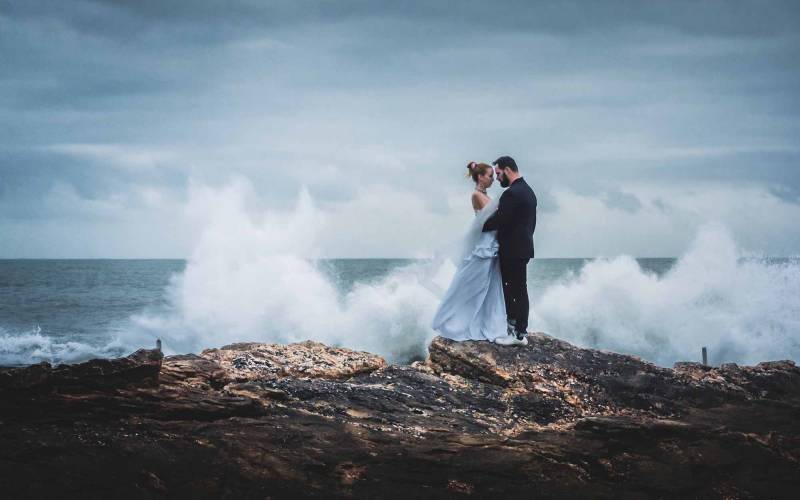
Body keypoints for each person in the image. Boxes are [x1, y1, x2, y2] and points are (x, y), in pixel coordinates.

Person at [431, 162, 508, 343]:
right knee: (475, 284)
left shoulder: (485, 195)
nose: (492, 180)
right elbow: (496, 215)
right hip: (485, 245)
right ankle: (453, 321)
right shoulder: (476, 195)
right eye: (490, 176)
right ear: (480, 176)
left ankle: (488, 323)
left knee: (490, 286)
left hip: (492, 243)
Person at [482, 155, 537, 346]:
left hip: (513, 250)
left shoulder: (512, 193)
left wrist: (480, 224)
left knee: (513, 289)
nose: (497, 178)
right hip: (523, 248)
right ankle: (518, 331)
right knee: (519, 288)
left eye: (498, 173)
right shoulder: (528, 191)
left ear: (507, 169)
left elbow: (500, 220)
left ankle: (517, 334)